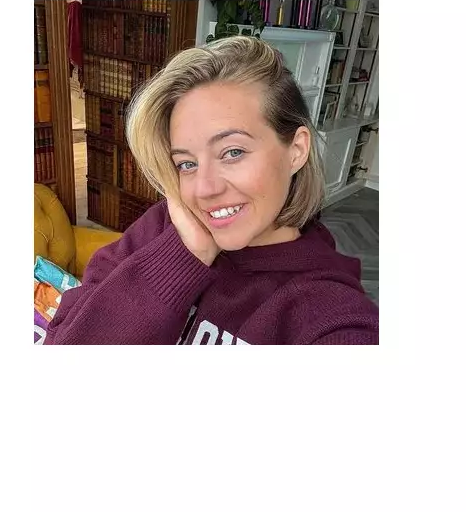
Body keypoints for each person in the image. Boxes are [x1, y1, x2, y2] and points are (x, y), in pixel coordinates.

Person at [45, 35, 379, 345]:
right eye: (186, 163)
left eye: (232, 152)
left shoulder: (329, 313)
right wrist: (183, 256)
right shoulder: (165, 225)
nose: (204, 189)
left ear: (297, 150)